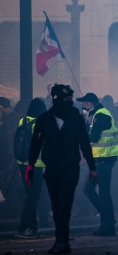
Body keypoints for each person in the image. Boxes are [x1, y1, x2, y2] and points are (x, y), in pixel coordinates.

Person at [27, 84, 97, 254]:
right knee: (57, 205)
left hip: (70, 167)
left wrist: (92, 167)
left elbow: (85, 143)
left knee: (65, 203)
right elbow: (36, 143)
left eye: (70, 99)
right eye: (66, 98)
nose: (70, 101)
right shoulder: (44, 119)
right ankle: (60, 239)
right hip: (52, 168)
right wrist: (30, 164)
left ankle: (63, 240)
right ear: (56, 99)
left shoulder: (76, 118)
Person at [79, 92, 118, 236]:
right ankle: (108, 227)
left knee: (88, 190)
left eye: (85, 103)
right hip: (105, 159)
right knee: (104, 192)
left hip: (103, 160)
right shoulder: (99, 114)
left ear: (91, 104)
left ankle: (108, 220)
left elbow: (94, 137)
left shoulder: (101, 115)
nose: (83, 106)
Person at [15, 98, 48, 239]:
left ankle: (32, 228)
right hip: (36, 166)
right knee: (32, 197)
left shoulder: (23, 121)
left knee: (31, 196)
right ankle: (24, 228)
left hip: (23, 165)